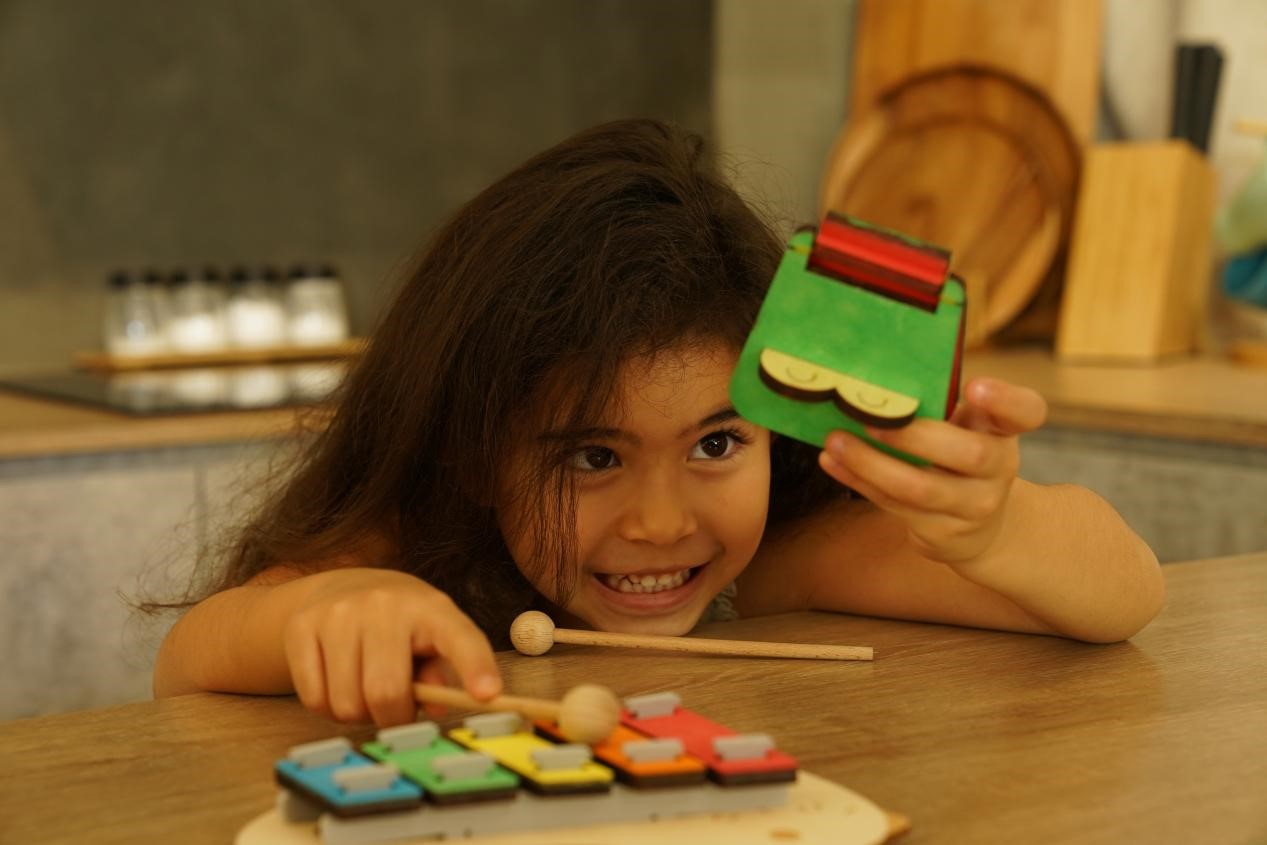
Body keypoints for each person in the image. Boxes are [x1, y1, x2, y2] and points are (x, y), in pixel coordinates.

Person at [152, 119, 1164, 728]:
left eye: (717, 443)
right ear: (470, 451)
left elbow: (1123, 589)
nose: (659, 520)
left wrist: (996, 530)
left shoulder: (779, 559)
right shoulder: (418, 552)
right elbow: (188, 662)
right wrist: (327, 609)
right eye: (593, 455)